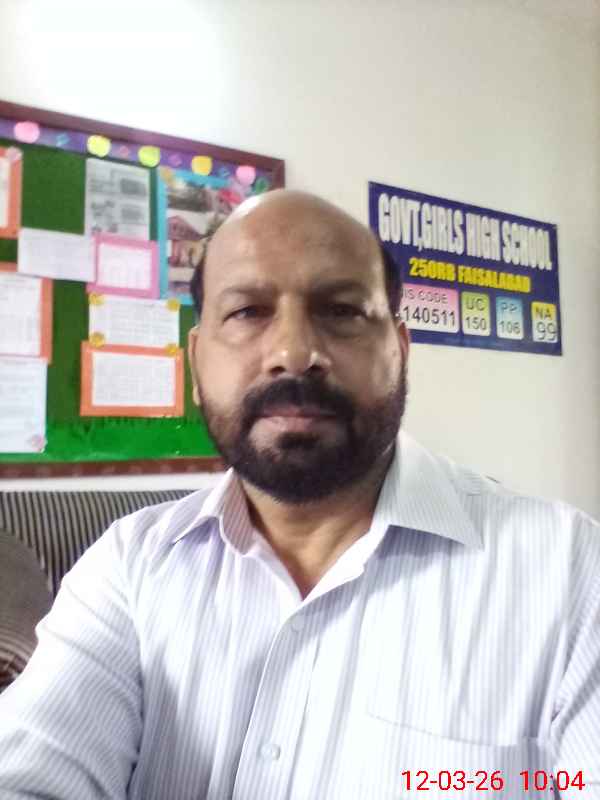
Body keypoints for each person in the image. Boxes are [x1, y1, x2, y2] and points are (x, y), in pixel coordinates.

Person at [0, 190, 598, 799]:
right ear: (196, 361)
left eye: (341, 310)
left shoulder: (569, 570)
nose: (293, 353)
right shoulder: (128, 568)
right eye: (247, 311)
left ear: (400, 350)